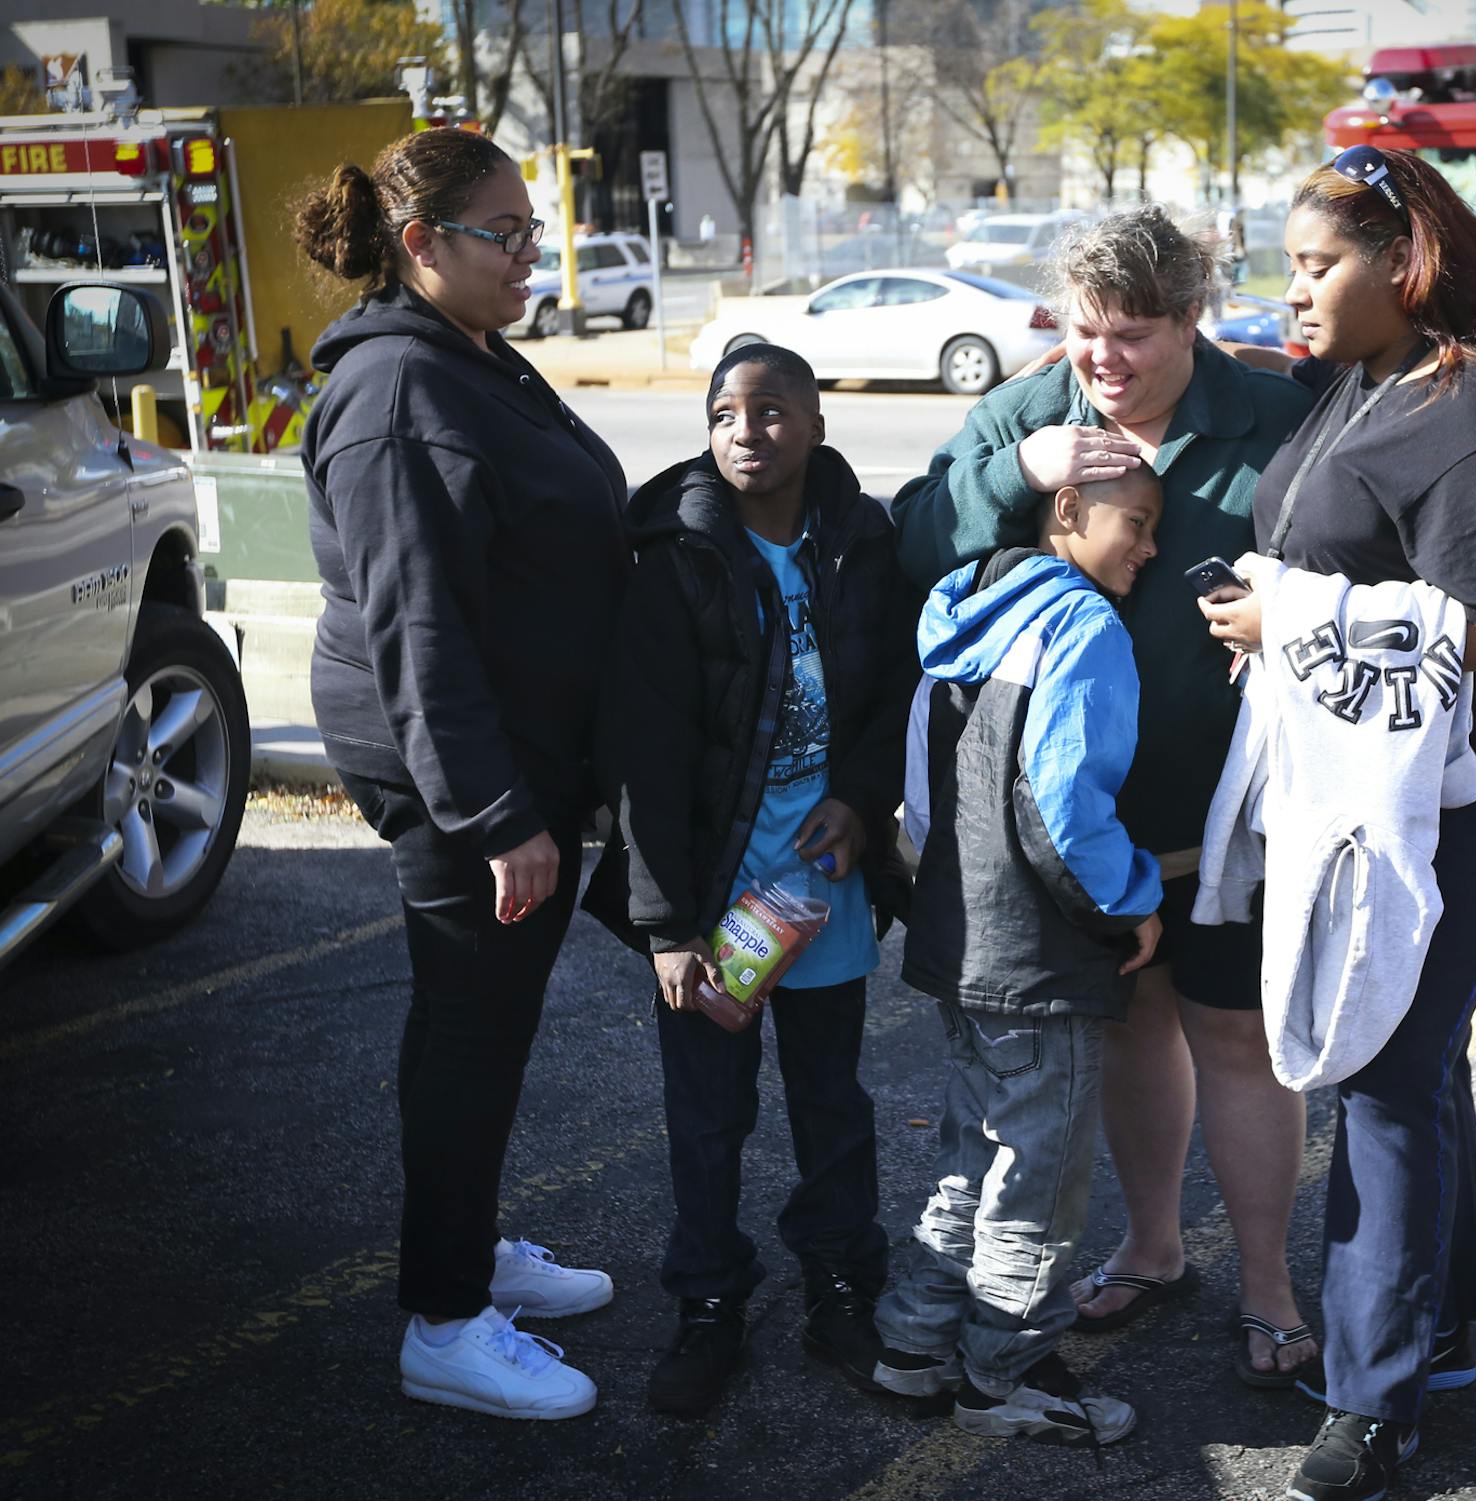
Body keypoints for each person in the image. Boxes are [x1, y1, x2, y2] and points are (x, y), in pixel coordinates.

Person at [1194, 145, 1476, 1501]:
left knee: (1384, 1065)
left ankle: (1373, 1397)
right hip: (1377, 771)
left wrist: (1290, 620)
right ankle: (1439, 1331)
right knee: (1417, 1053)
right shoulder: (1363, 379)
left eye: (1316, 267)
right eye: (1287, 266)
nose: (1291, 293)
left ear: (1403, 267)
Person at [889, 206, 1323, 1388]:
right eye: (1087, 333)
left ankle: (1272, 1287)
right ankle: (1152, 1246)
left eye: (1133, 334)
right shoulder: (1031, 411)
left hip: (1230, 818)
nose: (1105, 362)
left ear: (1194, 320)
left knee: (1237, 1040)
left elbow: (1393, 529)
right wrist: (1014, 473)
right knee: (1130, 1033)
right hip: (1071, 838)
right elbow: (912, 541)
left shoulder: (1277, 414)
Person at [295, 129, 627, 1419]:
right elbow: (415, 624)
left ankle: (467, 1246)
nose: (530, 253)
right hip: (465, 779)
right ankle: (443, 1320)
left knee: (476, 1031)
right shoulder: (395, 395)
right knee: (469, 1038)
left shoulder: (469, 354)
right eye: (506, 233)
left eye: (532, 229)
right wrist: (497, 816)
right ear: (422, 244)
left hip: (512, 759)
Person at [582, 344, 916, 1418]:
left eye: (772, 410)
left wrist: (862, 802)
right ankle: (709, 1305)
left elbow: (895, 693)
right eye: (725, 410)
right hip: (713, 890)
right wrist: (668, 924)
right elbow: (648, 750)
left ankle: (840, 1287)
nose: (746, 430)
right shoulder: (678, 557)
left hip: (827, 886)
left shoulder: (860, 542)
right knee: (707, 1113)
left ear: (817, 421)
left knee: (832, 1103)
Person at [870, 467, 1167, 1444]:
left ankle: (912, 1344)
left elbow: (916, 788)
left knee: (976, 1147)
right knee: (1037, 1172)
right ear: (1069, 512)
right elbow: (1064, 804)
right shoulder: (1083, 628)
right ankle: (1006, 1370)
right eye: (1140, 523)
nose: (1150, 548)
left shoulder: (970, 611)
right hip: (1039, 951)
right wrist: (1132, 903)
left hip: (958, 929)